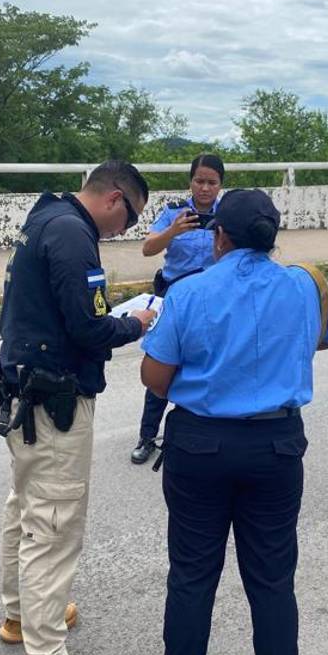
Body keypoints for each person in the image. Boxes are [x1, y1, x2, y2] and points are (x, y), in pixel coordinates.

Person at [138, 188, 328, 655]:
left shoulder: (190, 291)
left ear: (219, 236)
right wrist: (281, 351)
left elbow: (154, 379)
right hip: (276, 448)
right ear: (271, 238)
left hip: (200, 447)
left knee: (192, 574)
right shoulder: (306, 285)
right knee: (273, 579)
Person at [0, 160, 157, 655]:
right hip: (55, 399)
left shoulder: (45, 217)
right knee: (55, 523)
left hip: (25, 391)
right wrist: (135, 324)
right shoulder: (72, 235)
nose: (126, 229)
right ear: (115, 198)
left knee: (26, 508)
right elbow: (88, 327)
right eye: (129, 218)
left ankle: (22, 613)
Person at [130, 154, 222, 465]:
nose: (205, 188)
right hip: (174, 299)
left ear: (221, 185)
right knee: (162, 363)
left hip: (212, 301)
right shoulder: (173, 212)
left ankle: (203, 433)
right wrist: (174, 232)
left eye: (212, 182)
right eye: (199, 181)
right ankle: (147, 436)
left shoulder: (228, 215)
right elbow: (147, 248)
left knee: (208, 365)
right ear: (190, 182)